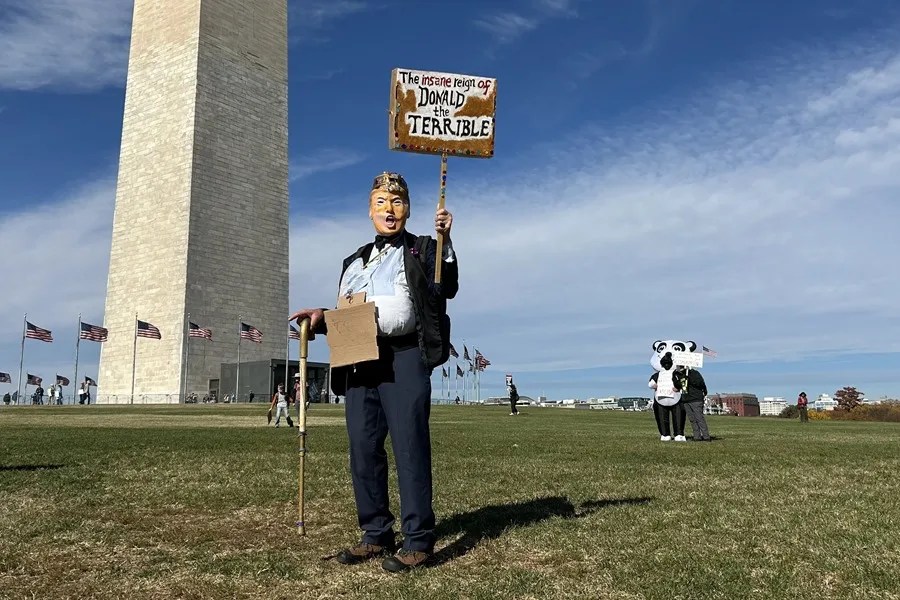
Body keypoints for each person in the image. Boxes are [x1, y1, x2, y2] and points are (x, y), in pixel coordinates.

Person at [289, 171, 457, 573]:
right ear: (370, 211)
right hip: (359, 360)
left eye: (397, 202)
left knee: (409, 445)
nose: (390, 210)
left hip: (403, 357)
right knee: (363, 448)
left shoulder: (423, 249)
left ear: (409, 209)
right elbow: (349, 311)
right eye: (382, 203)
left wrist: (446, 242)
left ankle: (418, 540)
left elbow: (444, 287)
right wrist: (321, 318)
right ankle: (375, 532)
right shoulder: (353, 260)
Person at [674, 366, 710, 441]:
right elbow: (678, 385)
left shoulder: (694, 373)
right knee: (692, 419)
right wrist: (675, 376)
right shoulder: (679, 375)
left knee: (699, 418)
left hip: (696, 399)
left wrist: (688, 378)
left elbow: (700, 383)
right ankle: (697, 436)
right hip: (686, 399)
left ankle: (706, 436)